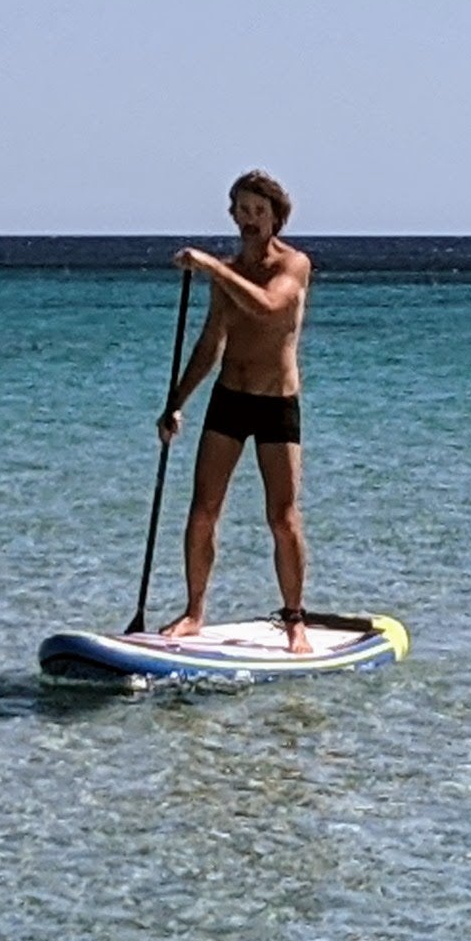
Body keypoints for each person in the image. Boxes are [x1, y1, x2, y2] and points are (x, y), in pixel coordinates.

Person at [159, 170, 314, 643]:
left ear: (275, 218)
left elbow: (269, 308)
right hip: (229, 399)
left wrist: (213, 269)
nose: (249, 220)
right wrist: (175, 403)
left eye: (258, 211)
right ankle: (194, 612)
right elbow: (211, 344)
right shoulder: (227, 273)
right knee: (203, 509)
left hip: (275, 404)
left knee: (281, 517)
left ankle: (294, 621)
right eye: (242, 211)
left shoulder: (294, 265)